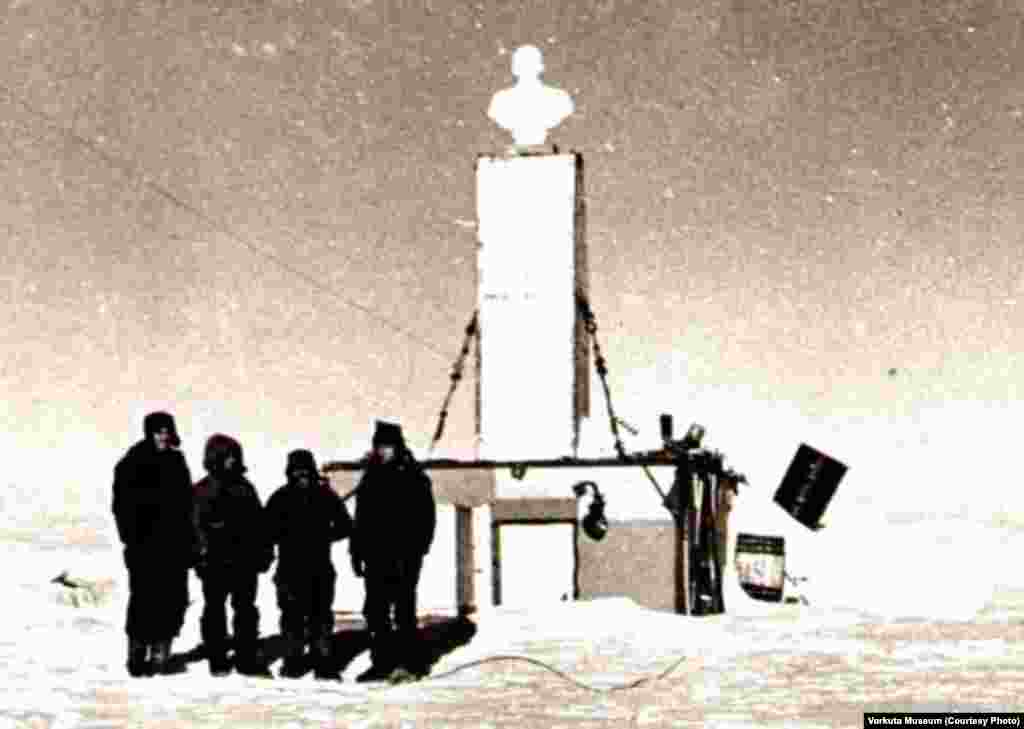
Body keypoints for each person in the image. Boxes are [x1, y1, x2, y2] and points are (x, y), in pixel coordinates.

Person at [350, 421, 436, 683]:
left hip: (404, 557)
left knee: (403, 611)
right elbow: (361, 519)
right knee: (375, 612)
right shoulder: (370, 478)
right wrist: (356, 552)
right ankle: (382, 663)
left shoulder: (413, 476)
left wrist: (417, 550)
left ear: (397, 447)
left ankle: (409, 664)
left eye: (387, 446)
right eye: (379, 446)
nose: (383, 451)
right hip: (376, 556)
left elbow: (426, 518)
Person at [111, 411, 196, 677]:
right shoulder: (132, 463)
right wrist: (131, 539)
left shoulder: (176, 461)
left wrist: (189, 541)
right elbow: (121, 507)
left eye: (166, 431)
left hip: (174, 545)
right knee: (144, 599)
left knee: (172, 598)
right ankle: (137, 656)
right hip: (144, 546)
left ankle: (161, 654)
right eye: (158, 431)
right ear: (149, 433)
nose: (163, 436)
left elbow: (187, 505)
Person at [264, 449, 352, 680]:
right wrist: (284, 536)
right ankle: (293, 662)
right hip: (289, 569)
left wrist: (325, 535)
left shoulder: (326, 495)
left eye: (305, 469)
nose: (301, 474)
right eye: (296, 470)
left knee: (320, 617)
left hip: (319, 568)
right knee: (291, 617)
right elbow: (265, 531)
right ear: (290, 472)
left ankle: (323, 663)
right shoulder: (280, 498)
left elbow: (345, 525)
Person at [192, 434, 273, 677]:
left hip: (244, 561)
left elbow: (260, 524)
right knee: (215, 610)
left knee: (246, 610)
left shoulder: (245, 488)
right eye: (228, 456)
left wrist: (264, 552)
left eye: (234, 456)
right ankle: (217, 658)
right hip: (215, 561)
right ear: (216, 458)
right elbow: (194, 526)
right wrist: (200, 555)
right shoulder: (202, 490)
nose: (232, 461)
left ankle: (245, 657)